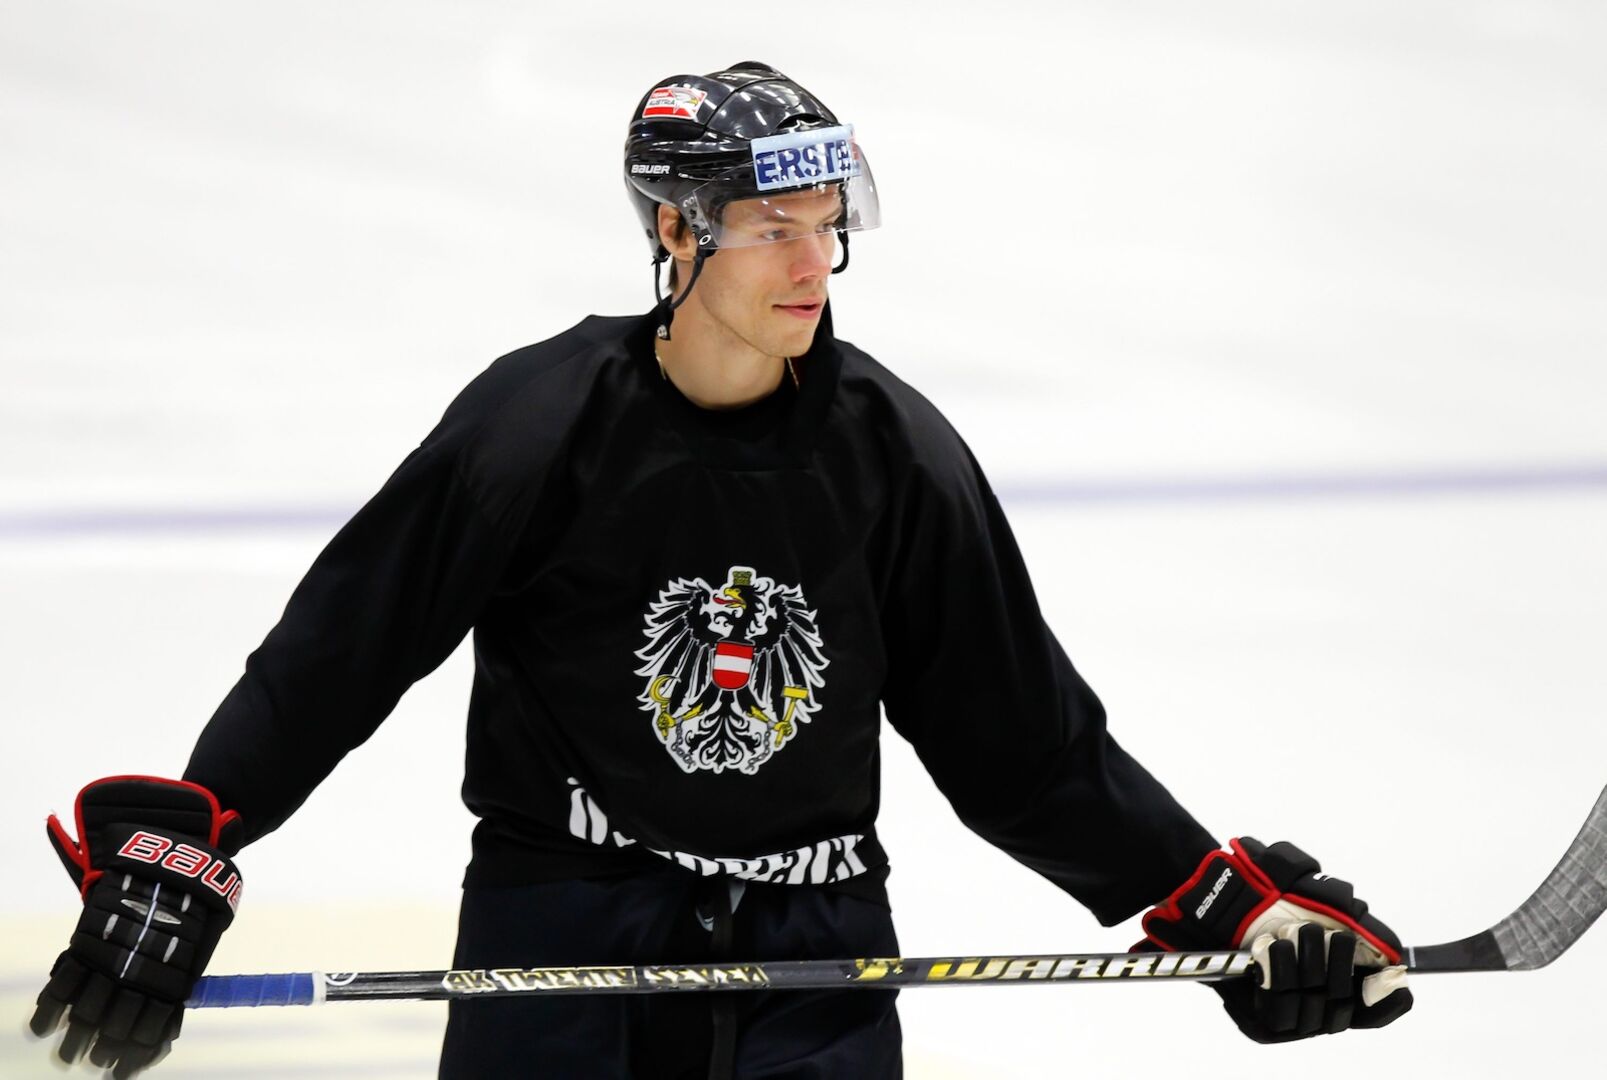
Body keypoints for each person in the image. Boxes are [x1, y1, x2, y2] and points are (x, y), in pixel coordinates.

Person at [27, 61, 1413, 1079]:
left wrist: (1213, 897)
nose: (815, 263)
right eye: (773, 227)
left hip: (815, 953)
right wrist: (194, 836)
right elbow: (339, 655)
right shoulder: (534, 429)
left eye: (827, 222)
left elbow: (1027, 752)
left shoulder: (895, 455)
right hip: (560, 936)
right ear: (678, 232)